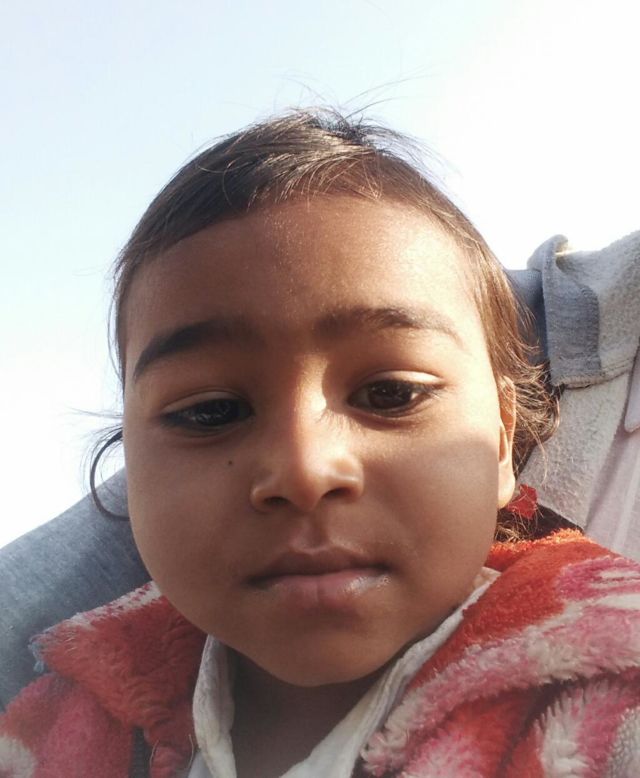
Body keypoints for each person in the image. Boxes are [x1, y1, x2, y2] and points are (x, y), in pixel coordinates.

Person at [1, 110, 639, 778]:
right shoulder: (63, 720)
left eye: (390, 393)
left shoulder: (614, 686)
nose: (304, 470)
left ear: (503, 441)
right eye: (212, 411)